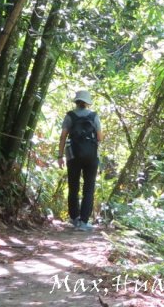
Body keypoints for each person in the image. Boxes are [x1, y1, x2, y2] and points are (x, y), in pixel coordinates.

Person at [58, 89, 103, 231]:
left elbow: (63, 137)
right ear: (87, 103)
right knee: (89, 188)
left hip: (73, 156)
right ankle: (84, 222)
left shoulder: (70, 116)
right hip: (91, 156)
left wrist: (60, 156)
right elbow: (100, 138)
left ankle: (74, 219)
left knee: (73, 187)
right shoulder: (94, 116)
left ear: (76, 102)